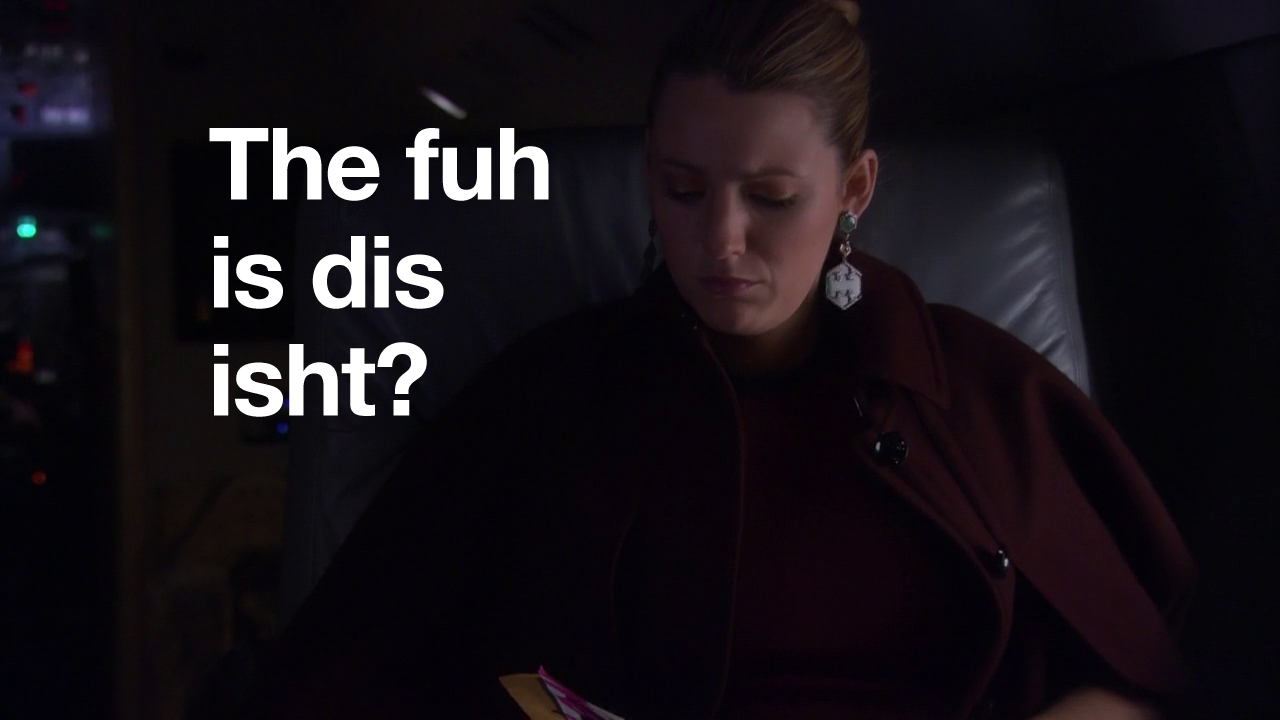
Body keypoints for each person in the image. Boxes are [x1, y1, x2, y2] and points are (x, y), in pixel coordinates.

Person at [242, 1, 1196, 718]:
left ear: (854, 188)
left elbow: (1133, 667)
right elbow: (345, 666)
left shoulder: (981, 389)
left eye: (773, 197)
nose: (722, 242)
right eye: (683, 190)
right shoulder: (550, 395)